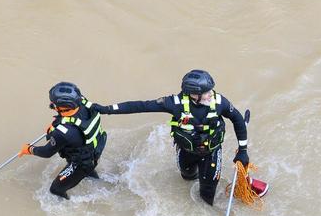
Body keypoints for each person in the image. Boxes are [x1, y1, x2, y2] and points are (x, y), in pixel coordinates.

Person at [92, 69, 263, 205]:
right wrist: (107, 109)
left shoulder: (220, 102)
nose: (211, 94)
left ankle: (210, 193)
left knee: (207, 194)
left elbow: (238, 120)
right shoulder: (173, 104)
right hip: (186, 151)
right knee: (186, 176)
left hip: (211, 152)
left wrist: (243, 150)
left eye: (211, 90)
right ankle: (194, 174)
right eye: (206, 92)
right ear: (193, 95)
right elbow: (141, 105)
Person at [19, 81, 108, 199]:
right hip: (94, 151)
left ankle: (70, 209)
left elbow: (46, 152)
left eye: (53, 103)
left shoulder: (63, 133)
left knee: (55, 189)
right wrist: (55, 125)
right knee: (88, 169)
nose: (51, 104)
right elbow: (69, 120)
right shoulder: (83, 104)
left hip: (81, 163)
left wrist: (29, 149)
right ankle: (97, 182)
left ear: (61, 107)